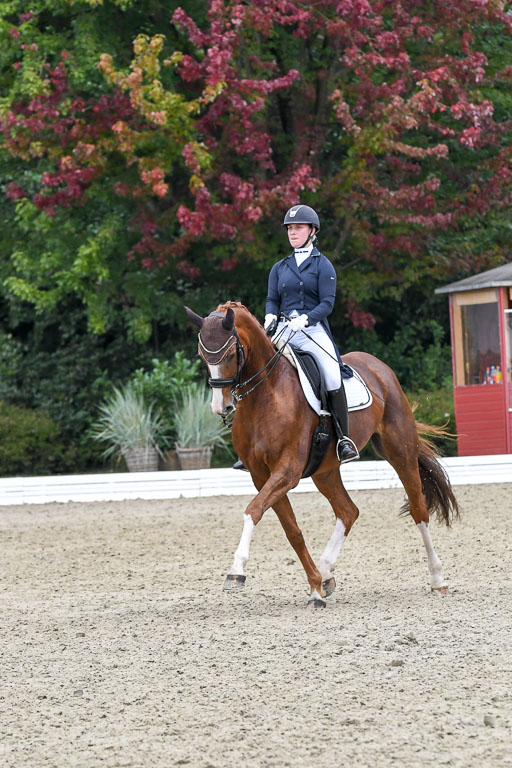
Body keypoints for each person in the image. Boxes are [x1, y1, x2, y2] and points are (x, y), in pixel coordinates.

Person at [233, 204, 359, 470]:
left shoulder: (323, 265)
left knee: (332, 373)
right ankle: (251, 442)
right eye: (290, 228)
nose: (292, 232)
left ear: (312, 231)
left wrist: (307, 318)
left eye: (298, 228)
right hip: (283, 330)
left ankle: (343, 440)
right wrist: (269, 317)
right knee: (254, 369)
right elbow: (272, 299)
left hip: (312, 330)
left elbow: (328, 303)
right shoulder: (280, 267)